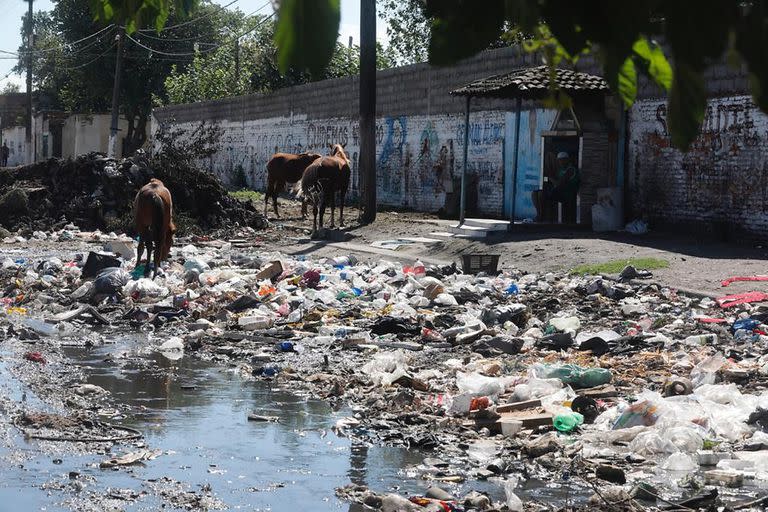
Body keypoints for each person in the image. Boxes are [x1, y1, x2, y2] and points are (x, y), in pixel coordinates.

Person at [532, 151, 580, 222]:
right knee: (534, 193)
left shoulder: (571, 170)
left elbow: (559, 183)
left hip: (566, 194)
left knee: (541, 194)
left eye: (562, 160)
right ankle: (539, 214)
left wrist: (550, 177)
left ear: (567, 160)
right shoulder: (560, 170)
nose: (560, 162)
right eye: (559, 161)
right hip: (558, 192)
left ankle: (541, 216)